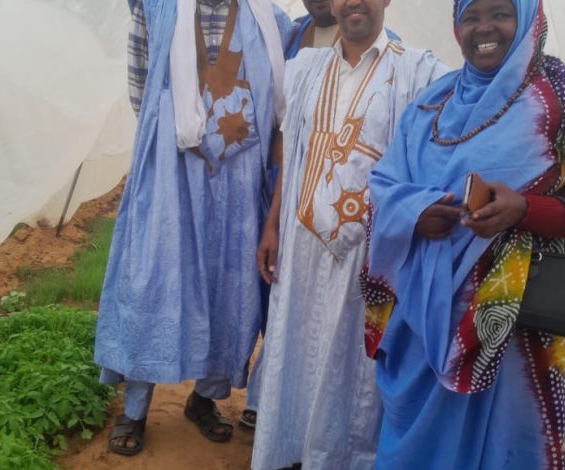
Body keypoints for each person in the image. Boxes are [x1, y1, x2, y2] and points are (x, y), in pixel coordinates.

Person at [365, 0, 565, 468]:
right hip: (422, 318)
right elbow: (385, 183)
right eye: (471, 17)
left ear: (527, 18)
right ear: (456, 27)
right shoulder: (433, 101)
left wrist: (525, 210)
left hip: (519, 318)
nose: (484, 28)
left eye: (500, 13)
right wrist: (415, 213)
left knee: (504, 447)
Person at [250, 0, 449, 468]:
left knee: (351, 370)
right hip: (300, 247)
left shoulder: (419, 73)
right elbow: (293, 154)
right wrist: (272, 225)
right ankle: (293, 453)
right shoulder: (305, 69)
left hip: (368, 257)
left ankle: (338, 459)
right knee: (296, 353)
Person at [93, 0, 292, 456]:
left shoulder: (270, 19)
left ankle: (204, 398)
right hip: (170, 172)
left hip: (238, 184)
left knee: (228, 287)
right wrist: (182, 121)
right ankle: (135, 408)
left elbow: (278, 105)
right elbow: (142, 93)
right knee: (154, 280)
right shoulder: (155, 8)